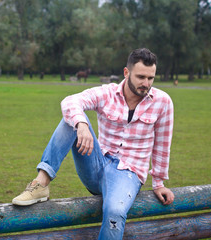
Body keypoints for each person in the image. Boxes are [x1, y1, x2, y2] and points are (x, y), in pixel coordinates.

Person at [12, 48, 175, 239]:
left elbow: (163, 145)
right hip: (96, 166)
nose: (146, 84)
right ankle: (41, 183)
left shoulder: (163, 102)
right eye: (140, 77)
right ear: (126, 72)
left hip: (128, 174)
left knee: (115, 212)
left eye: (151, 78)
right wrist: (81, 124)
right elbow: (70, 101)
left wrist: (159, 183)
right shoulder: (106, 93)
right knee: (71, 119)